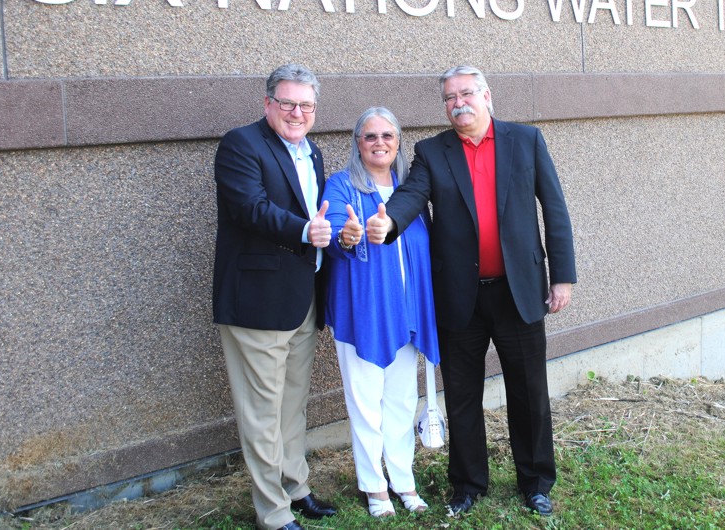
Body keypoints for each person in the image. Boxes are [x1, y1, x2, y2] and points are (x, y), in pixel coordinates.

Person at [365, 65, 577, 517]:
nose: (457, 103)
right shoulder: (432, 152)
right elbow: (410, 195)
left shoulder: (525, 140)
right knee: (462, 396)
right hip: (461, 296)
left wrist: (563, 276)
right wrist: (388, 222)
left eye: (465, 94)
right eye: (449, 97)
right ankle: (467, 485)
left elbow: (554, 209)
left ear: (485, 95)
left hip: (519, 292)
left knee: (529, 393)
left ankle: (536, 482)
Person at [212, 64, 337, 530]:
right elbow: (250, 208)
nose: (296, 112)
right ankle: (272, 512)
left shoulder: (314, 152)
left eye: (305, 105)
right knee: (262, 411)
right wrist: (306, 229)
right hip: (257, 301)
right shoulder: (241, 144)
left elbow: (317, 212)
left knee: (291, 403)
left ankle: (296, 487)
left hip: (301, 297)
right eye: (287, 103)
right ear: (268, 104)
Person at [321, 107, 439, 518]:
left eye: (388, 135)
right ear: (358, 143)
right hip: (365, 314)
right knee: (366, 402)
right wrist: (348, 236)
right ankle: (375, 488)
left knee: (403, 402)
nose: (380, 143)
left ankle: (403, 481)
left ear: (398, 142)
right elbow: (336, 232)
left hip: (407, 314)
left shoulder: (410, 192)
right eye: (370, 136)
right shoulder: (341, 186)